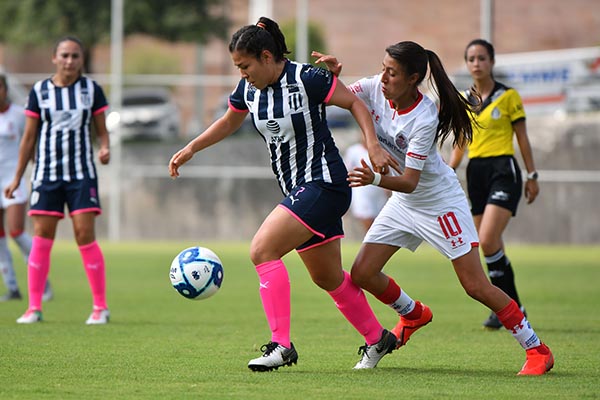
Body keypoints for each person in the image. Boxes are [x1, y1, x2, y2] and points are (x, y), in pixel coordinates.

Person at [169, 17, 399, 372]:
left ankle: (281, 346)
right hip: (299, 189)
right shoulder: (248, 89)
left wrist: (372, 146)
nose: (242, 74)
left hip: (324, 182)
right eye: (237, 68)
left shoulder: (306, 78)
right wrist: (192, 148)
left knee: (262, 249)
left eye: (245, 66)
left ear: (265, 56)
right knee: (328, 277)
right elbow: (230, 120)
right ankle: (377, 338)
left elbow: (354, 103)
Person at [312, 41, 553, 375]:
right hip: (405, 203)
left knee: (476, 286)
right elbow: (343, 99)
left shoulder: (424, 118)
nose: (383, 76)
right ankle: (412, 313)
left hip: (440, 204)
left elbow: (410, 180)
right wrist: (334, 79)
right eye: (383, 67)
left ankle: (536, 349)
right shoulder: (373, 87)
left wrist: (375, 181)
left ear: (413, 79)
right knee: (363, 272)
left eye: (392, 72)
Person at [4, 36, 110, 325]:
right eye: (64, 55)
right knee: (42, 237)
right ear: (54, 58)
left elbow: (101, 129)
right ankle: (34, 307)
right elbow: (28, 138)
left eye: (75, 56)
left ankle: (100, 307)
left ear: (82, 60)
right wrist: (17, 178)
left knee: (84, 234)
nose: (70, 61)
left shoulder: (92, 90)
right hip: (47, 175)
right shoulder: (40, 91)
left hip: (81, 174)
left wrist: (104, 147)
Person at [448, 39, 539, 330]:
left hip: (503, 169)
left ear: (492, 62)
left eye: (482, 58)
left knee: (487, 240)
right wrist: (449, 170)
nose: (477, 63)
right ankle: (511, 309)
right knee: (488, 245)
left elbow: (522, 137)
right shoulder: (465, 100)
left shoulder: (508, 96)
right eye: (472, 58)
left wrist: (532, 174)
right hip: (476, 172)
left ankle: (508, 308)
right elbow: (461, 142)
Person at [0, 74, 53, 302]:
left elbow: (30, 144)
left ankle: (41, 278)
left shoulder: (19, 115)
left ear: (5, 89)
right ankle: (11, 287)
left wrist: (39, 172)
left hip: (13, 179)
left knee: (16, 231)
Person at [343, 136, 389, 232]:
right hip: (361, 190)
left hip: (378, 189)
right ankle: (372, 239)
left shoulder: (380, 151)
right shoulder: (354, 151)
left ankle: (375, 239)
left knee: (378, 219)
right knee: (366, 217)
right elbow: (347, 171)